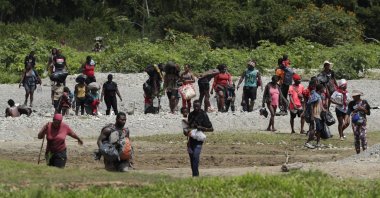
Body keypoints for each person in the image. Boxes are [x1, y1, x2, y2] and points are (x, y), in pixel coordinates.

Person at [183, 100, 213, 176]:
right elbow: (187, 128)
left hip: (199, 139)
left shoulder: (203, 114)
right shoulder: (191, 115)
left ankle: (196, 176)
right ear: (193, 106)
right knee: (192, 158)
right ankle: (194, 174)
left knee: (196, 156)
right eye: (195, 106)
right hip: (191, 140)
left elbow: (211, 129)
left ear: (200, 106)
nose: (196, 108)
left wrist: (202, 128)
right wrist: (186, 132)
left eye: (198, 106)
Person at [347, 90, 371, 154]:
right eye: (353, 96)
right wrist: (347, 120)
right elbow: (348, 112)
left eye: (354, 96)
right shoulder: (351, 103)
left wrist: (362, 109)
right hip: (354, 122)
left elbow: (368, 113)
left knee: (363, 136)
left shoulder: (364, 102)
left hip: (363, 122)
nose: (353, 97)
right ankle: (358, 153)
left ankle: (365, 151)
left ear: (358, 96)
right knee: (356, 136)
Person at [304, 84, 327, 149]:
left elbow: (320, 105)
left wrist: (324, 110)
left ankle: (318, 143)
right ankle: (307, 142)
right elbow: (311, 106)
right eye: (323, 88)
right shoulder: (315, 96)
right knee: (312, 130)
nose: (324, 90)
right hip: (314, 115)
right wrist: (311, 116)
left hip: (318, 115)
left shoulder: (319, 96)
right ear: (320, 89)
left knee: (319, 129)